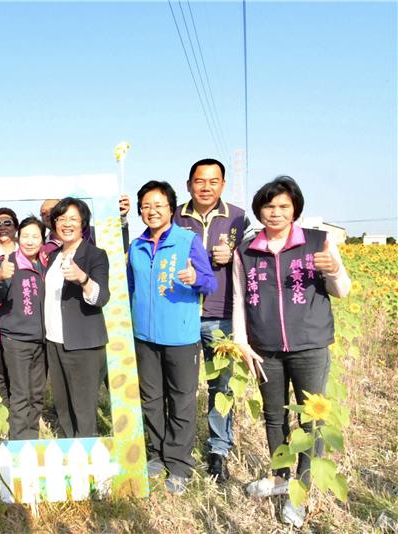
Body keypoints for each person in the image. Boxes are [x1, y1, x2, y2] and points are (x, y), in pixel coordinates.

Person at [234, 176, 350, 527]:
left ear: (295, 209)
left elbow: (342, 290)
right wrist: (241, 341)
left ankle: (302, 489)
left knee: (310, 420)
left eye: (284, 206)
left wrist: (334, 271)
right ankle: (279, 476)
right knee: (273, 416)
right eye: (269, 206)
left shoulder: (318, 241)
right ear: (259, 210)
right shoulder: (247, 249)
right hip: (265, 348)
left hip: (310, 346)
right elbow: (240, 298)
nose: (276, 212)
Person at [127, 180, 216, 495]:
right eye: (146, 206)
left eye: (158, 205)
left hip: (180, 337)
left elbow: (210, 283)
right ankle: (157, 454)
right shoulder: (136, 246)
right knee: (151, 399)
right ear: (140, 210)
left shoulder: (187, 240)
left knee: (181, 401)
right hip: (144, 337)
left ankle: (178, 463)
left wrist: (195, 278)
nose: (152, 211)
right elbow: (130, 287)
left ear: (171, 208)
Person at [173, 158, 248, 482]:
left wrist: (233, 256)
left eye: (213, 181)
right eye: (200, 181)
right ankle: (177, 447)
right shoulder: (175, 215)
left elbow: (253, 258)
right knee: (180, 386)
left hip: (221, 314)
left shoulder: (238, 217)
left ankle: (218, 448)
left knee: (221, 386)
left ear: (223, 184)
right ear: (189, 184)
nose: (206, 187)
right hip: (182, 312)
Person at [44, 197, 110, 438]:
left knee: (83, 409)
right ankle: (70, 457)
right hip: (54, 341)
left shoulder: (95, 255)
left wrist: (83, 279)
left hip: (83, 345)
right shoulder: (52, 257)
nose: (66, 224)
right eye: (61, 219)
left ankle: (89, 464)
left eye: (73, 218)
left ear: (83, 223)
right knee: (63, 406)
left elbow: (101, 297)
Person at [0, 216, 47, 439]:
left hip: (41, 340)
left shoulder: (43, 263)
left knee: (37, 394)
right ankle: (20, 444)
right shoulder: (8, 262)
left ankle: (32, 439)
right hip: (16, 340)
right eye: (26, 236)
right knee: (21, 394)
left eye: (35, 236)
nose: (30, 241)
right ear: (18, 237)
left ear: (43, 239)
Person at [0, 207, 19, 409]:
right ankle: (4, 414)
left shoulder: (28, 251)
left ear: (15, 226)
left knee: (19, 375)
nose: (2, 227)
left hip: (21, 324)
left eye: (7, 222)